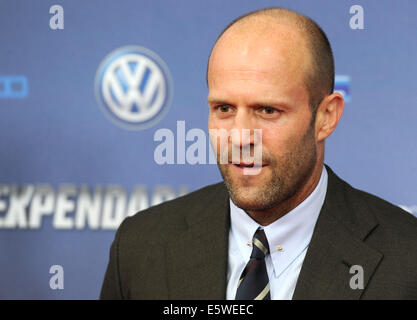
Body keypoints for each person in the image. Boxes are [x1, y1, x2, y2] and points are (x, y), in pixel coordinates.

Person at [100, 7, 417, 300]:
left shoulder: (407, 260)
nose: (239, 137)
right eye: (223, 108)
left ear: (326, 116)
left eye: (267, 110)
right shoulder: (140, 246)